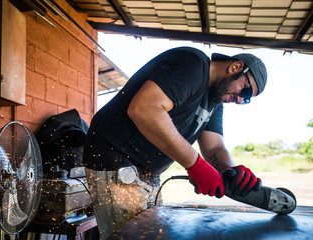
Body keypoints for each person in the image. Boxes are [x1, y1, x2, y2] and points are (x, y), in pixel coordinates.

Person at [83, 46, 267, 239]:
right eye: (245, 91)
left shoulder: (215, 100)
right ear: (236, 67)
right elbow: (144, 108)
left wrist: (230, 171)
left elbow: (214, 146)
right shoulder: (192, 64)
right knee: (132, 237)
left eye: (246, 100)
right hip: (116, 159)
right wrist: (195, 165)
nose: (240, 100)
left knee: (151, 235)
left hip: (147, 173)